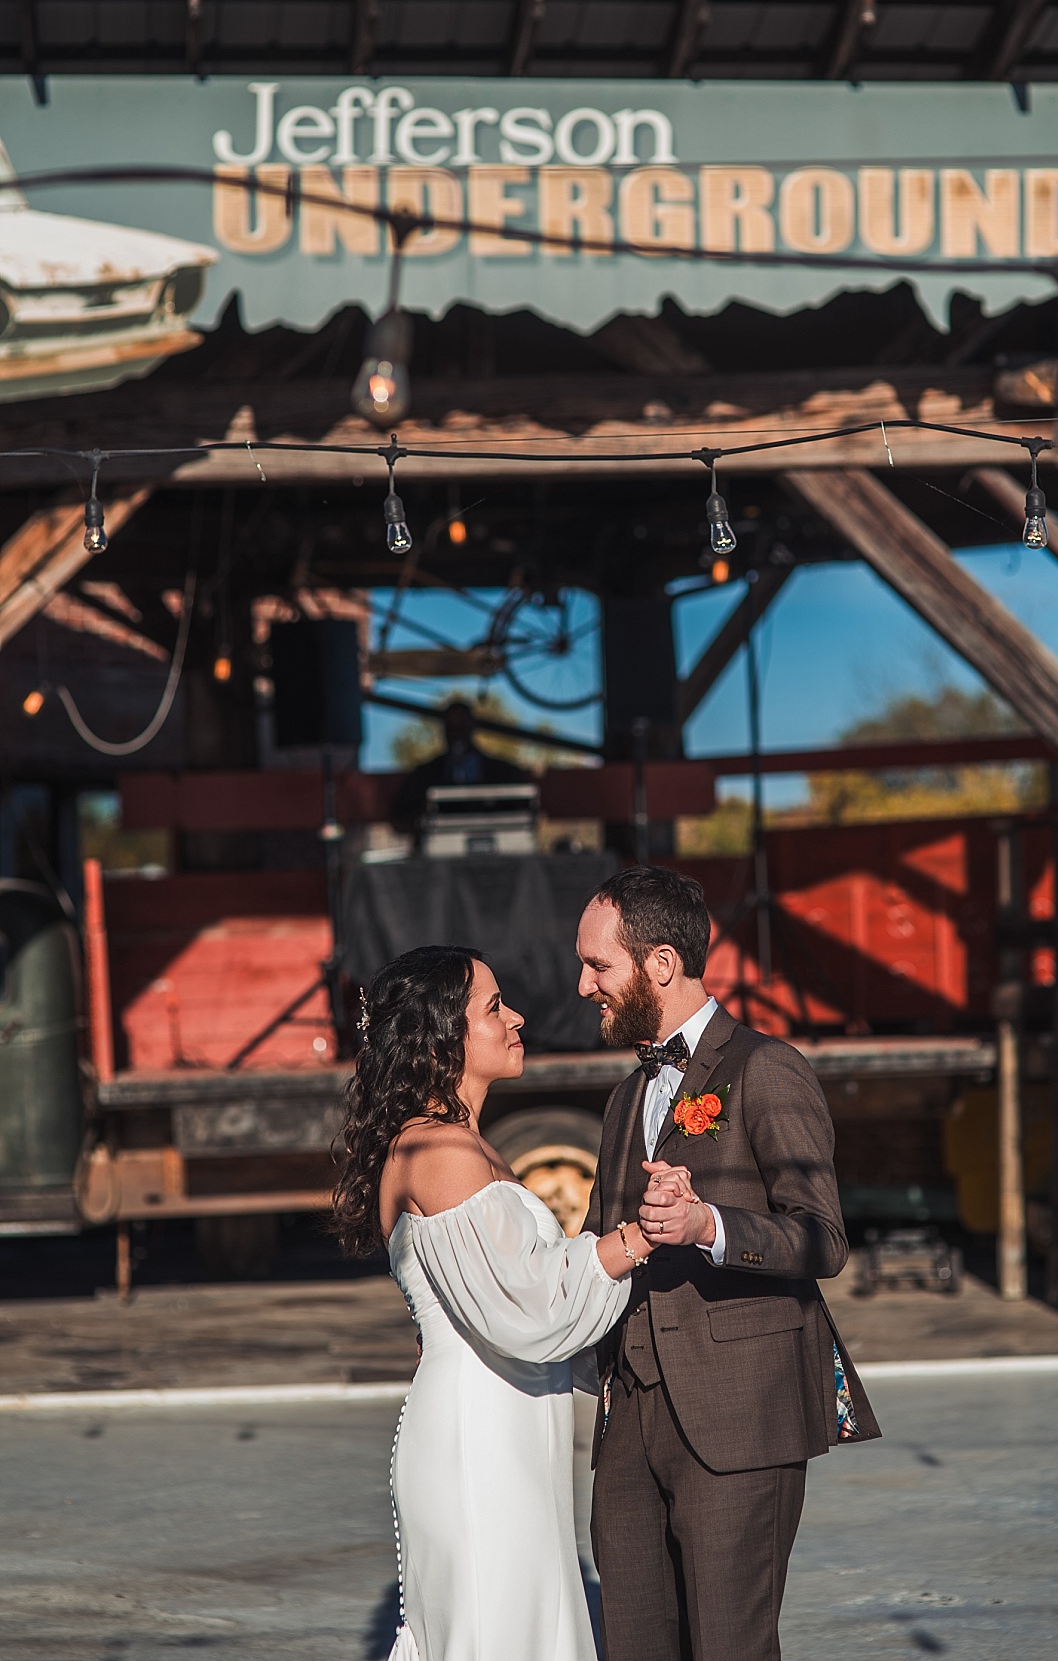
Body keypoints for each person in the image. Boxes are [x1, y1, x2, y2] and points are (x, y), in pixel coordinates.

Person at [333, 944, 692, 1661]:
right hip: (479, 1435)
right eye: (493, 1007)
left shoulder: (459, 1144)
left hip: (508, 1422)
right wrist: (643, 1234)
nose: (517, 1017)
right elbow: (532, 1306)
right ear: (442, 1036)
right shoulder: (441, 1153)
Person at [577, 865, 881, 1661]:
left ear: (662, 965)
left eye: (598, 965)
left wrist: (709, 1222)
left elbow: (822, 1238)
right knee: (635, 1644)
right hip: (630, 1420)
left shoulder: (768, 1070)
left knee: (730, 1649)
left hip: (740, 1418)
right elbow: (595, 1250)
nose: (583, 986)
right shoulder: (620, 1101)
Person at [391, 699, 530, 830]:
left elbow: (525, 813)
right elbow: (400, 818)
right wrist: (422, 819)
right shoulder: (425, 775)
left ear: (472, 728)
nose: (457, 735)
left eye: (461, 727)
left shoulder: (503, 772)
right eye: (451, 728)